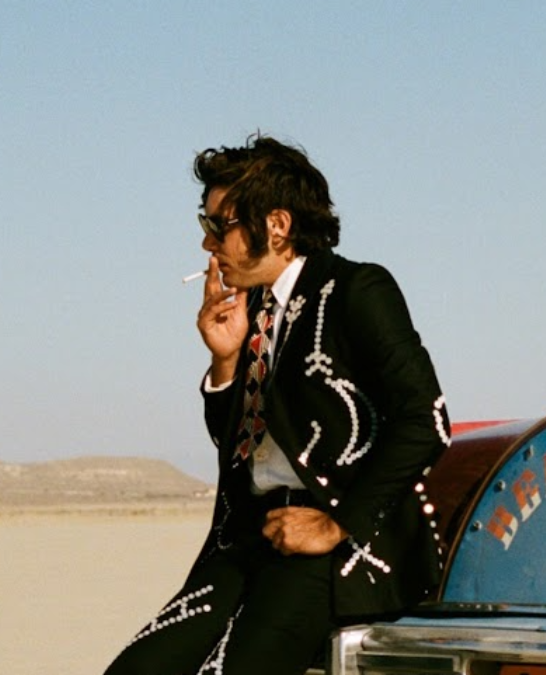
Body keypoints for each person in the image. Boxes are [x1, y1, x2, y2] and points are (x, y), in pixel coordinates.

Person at [104, 135, 451, 675]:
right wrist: (225, 362)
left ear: (278, 225)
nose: (208, 243)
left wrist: (337, 524)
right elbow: (239, 448)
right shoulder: (254, 312)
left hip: (332, 548)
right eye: (205, 224)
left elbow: (426, 421)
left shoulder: (356, 290)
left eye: (219, 225)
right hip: (247, 540)